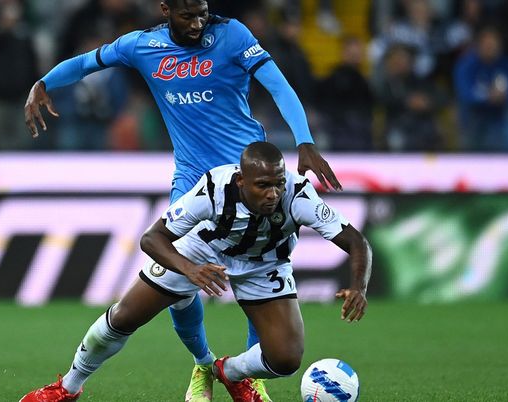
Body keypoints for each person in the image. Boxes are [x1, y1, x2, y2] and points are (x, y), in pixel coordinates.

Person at [23, 1, 343, 400]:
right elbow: (88, 62)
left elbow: (278, 84)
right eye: (187, 15)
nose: (197, 24)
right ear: (165, 9)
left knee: (261, 269)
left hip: (251, 181)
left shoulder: (231, 35)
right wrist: (44, 82)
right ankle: (204, 364)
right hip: (195, 184)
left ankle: (246, 375)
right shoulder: (141, 45)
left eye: (202, 13)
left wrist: (305, 140)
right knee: (175, 283)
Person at [18, 142, 371, 402]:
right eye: (263, 185)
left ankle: (228, 373)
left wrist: (358, 286)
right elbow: (152, 237)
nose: (273, 192)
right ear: (241, 181)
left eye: (278, 182)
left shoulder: (298, 195)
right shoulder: (214, 188)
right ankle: (67, 388)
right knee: (123, 316)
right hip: (203, 251)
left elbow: (356, 242)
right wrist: (191, 269)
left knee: (286, 359)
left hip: (265, 263)